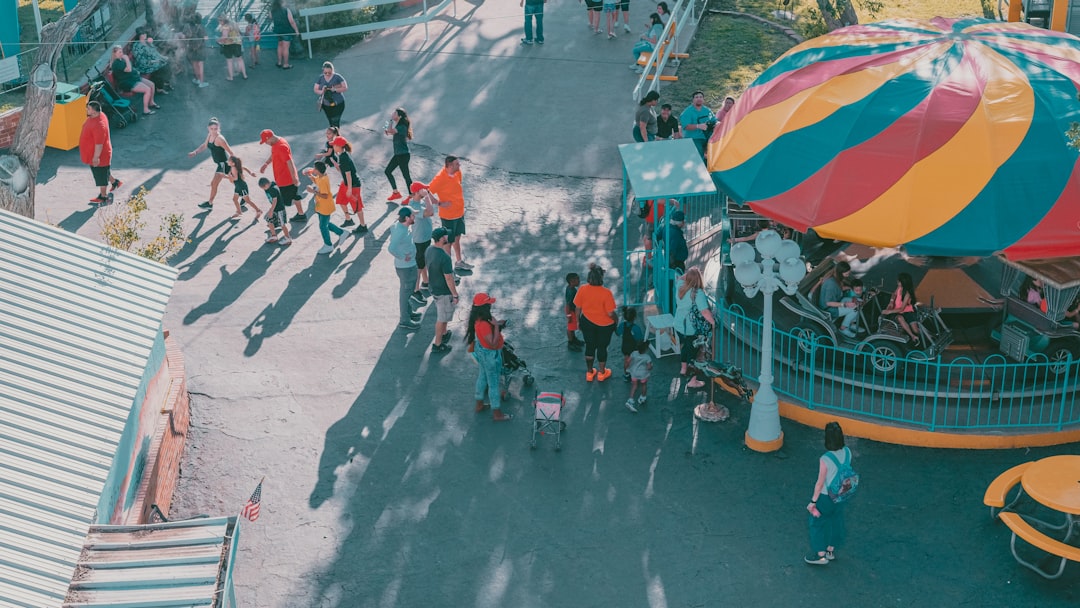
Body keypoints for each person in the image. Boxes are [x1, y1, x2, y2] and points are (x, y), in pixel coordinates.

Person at [805, 421, 851, 565]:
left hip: (826, 498)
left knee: (816, 523)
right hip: (841, 495)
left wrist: (812, 502)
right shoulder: (848, 452)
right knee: (835, 521)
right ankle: (830, 551)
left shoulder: (825, 459)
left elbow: (819, 484)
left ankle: (821, 556)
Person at [465, 293, 513, 422]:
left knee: (482, 377)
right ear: (485, 307)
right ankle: (497, 413)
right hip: (490, 355)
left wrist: (497, 323)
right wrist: (497, 326)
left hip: (482, 352)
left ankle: (479, 404)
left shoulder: (479, 318)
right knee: (493, 384)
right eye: (489, 303)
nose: (491, 305)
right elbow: (492, 342)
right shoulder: (484, 324)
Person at [574, 264, 618, 382]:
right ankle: (602, 373)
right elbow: (610, 314)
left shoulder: (582, 289)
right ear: (601, 278)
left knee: (590, 346)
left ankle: (589, 372)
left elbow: (577, 308)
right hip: (605, 326)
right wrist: (616, 319)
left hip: (587, 323)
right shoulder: (606, 293)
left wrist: (578, 321)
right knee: (602, 348)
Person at [429, 155, 473, 272]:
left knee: (457, 239)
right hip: (448, 216)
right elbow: (427, 192)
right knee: (447, 243)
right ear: (449, 166)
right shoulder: (440, 178)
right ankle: (448, 270)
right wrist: (439, 203)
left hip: (459, 213)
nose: (459, 166)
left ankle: (459, 262)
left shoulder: (458, 173)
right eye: (457, 164)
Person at [673, 267, 715, 388]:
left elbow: (681, 277)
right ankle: (692, 380)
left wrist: (690, 273)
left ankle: (683, 368)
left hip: (679, 324)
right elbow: (704, 312)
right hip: (690, 328)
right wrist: (713, 322)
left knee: (685, 347)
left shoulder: (680, 285)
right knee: (693, 353)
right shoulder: (698, 293)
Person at [79, 101, 121, 205]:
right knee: (104, 171)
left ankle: (103, 196)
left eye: (88, 109)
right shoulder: (100, 115)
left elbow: (99, 145)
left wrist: (96, 157)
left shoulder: (99, 125)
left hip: (100, 156)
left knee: (101, 176)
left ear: (94, 111)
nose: (87, 110)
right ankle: (115, 182)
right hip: (98, 155)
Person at [189, 117, 235, 211]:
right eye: (211, 129)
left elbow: (231, 153)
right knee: (233, 181)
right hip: (220, 164)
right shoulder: (210, 135)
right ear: (208, 128)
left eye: (215, 129)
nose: (213, 131)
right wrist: (195, 152)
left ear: (219, 128)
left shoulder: (220, 139)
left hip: (223, 164)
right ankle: (244, 193)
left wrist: (233, 166)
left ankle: (210, 203)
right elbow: (205, 145)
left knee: (214, 183)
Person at [426, 227, 459, 354]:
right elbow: (449, 278)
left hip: (433, 288)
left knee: (444, 314)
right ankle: (437, 344)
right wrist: (455, 294)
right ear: (441, 239)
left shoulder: (429, 250)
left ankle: (444, 333)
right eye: (446, 235)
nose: (447, 237)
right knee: (441, 317)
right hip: (443, 292)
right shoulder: (444, 257)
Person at [259, 129, 304, 222]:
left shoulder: (281, 146)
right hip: (282, 178)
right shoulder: (276, 143)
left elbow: (289, 162)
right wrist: (266, 163)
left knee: (279, 200)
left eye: (266, 141)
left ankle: (277, 220)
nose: (266, 143)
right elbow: (273, 154)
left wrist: (294, 178)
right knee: (294, 196)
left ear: (269, 138)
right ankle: (301, 214)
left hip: (286, 180)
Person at [304, 161, 348, 254]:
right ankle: (342, 232)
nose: (313, 169)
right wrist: (311, 176)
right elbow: (317, 181)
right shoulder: (321, 176)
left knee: (323, 226)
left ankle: (328, 245)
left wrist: (313, 191)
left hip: (325, 207)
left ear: (318, 170)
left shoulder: (323, 180)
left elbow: (325, 195)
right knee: (325, 223)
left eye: (314, 168)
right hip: (321, 206)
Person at [390, 207, 422, 330]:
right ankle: (404, 319)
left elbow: (392, 227)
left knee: (407, 291)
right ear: (407, 218)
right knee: (405, 292)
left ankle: (408, 313)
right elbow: (391, 248)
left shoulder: (399, 225)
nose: (414, 218)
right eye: (413, 216)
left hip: (407, 266)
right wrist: (403, 256)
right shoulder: (401, 231)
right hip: (405, 268)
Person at [110, 45, 159, 116]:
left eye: (122, 52)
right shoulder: (116, 63)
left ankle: (151, 102)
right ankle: (146, 110)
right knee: (147, 89)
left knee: (151, 84)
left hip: (133, 78)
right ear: (115, 53)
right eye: (120, 52)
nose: (122, 54)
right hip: (127, 82)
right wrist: (127, 59)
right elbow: (128, 69)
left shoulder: (120, 60)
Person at [331, 136, 366, 233]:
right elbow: (343, 171)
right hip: (346, 183)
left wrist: (349, 189)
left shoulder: (344, 157)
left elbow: (348, 174)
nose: (333, 146)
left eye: (334, 145)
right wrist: (336, 165)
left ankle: (363, 226)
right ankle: (348, 219)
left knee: (357, 206)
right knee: (341, 200)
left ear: (339, 146)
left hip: (353, 185)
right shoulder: (343, 154)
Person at [408, 182, 436, 304]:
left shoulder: (421, 202)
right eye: (422, 189)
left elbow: (435, 204)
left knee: (423, 261)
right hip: (419, 240)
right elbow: (430, 212)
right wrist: (427, 197)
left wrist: (427, 195)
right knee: (419, 266)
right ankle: (415, 291)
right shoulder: (414, 206)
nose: (425, 190)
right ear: (417, 192)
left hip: (425, 238)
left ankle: (426, 282)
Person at [818, 261, 858, 336]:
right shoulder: (831, 284)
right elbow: (828, 303)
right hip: (829, 308)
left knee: (859, 302)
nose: (848, 275)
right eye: (846, 274)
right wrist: (845, 304)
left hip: (837, 301)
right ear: (841, 273)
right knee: (855, 308)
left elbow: (839, 288)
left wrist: (850, 288)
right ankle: (843, 328)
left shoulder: (837, 277)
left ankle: (851, 323)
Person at [881, 272, 922, 345]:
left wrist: (889, 311)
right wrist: (891, 302)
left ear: (903, 283)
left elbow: (902, 309)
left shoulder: (907, 293)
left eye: (899, 281)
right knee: (900, 318)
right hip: (897, 313)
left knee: (916, 330)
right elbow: (894, 294)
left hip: (907, 312)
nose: (897, 282)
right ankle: (912, 336)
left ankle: (925, 336)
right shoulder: (899, 287)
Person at [383, 108, 413, 201]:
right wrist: (388, 131)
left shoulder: (402, 126)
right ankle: (396, 193)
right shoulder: (399, 126)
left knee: (406, 176)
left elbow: (391, 130)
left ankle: (411, 196)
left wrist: (390, 121)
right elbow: (391, 131)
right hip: (398, 154)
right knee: (388, 171)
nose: (392, 114)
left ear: (399, 116)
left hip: (403, 155)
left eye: (394, 113)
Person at [131, 28, 173, 92]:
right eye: (142, 34)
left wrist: (162, 57)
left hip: (155, 60)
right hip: (145, 65)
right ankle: (159, 88)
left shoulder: (147, 42)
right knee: (162, 67)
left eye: (145, 33)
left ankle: (165, 81)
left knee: (168, 63)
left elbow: (155, 52)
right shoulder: (137, 46)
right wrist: (156, 61)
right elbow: (142, 61)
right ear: (139, 35)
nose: (144, 35)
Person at [680, 91, 715, 159]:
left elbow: (714, 120)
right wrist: (698, 126)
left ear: (703, 99)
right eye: (696, 97)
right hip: (693, 139)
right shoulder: (687, 112)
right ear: (693, 100)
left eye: (701, 97)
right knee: (697, 157)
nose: (699, 99)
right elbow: (686, 126)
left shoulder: (707, 110)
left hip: (707, 137)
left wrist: (717, 124)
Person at [258, 178, 292, 245]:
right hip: (275, 208)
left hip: (279, 209)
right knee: (269, 219)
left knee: (282, 224)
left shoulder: (273, 189)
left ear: (267, 184)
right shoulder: (270, 185)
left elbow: (274, 200)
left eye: (264, 187)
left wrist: (271, 210)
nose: (264, 189)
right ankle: (274, 236)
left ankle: (288, 238)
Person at [314, 62, 347, 127]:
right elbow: (315, 89)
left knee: (335, 122)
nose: (327, 74)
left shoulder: (337, 77)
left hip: (338, 103)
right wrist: (322, 91)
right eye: (325, 73)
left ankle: (337, 135)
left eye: (329, 72)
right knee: (331, 122)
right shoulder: (320, 78)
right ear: (323, 71)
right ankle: (334, 135)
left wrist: (335, 89)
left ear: (332, 70)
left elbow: (345, 87)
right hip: (326, 105)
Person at [616, 306, 645, 381]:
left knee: (626, 360)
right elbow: (640, 339)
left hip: (625, 347)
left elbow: (618, 333)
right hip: (634, 348)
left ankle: (627, 374)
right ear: (634, 317)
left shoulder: (622, 325)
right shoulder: (636, 328)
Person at [270, 0, 300, 69]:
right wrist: (296, 30)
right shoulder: (286, 10)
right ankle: (286, 64)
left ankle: (279, 62)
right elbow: (292, 22)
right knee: (285, 48)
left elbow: (271, 18)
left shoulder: (272, 11)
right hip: (286, 31)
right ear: (281, 2)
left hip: (278, 31)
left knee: (279, 46)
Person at [183, 13, 210, 88]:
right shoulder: (201, 27)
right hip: (200, 48)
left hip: (191, 48)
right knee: (200, 65)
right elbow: (206, 38)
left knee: (194, 64)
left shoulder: (187, 26)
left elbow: (185, 37)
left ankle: (197, 79)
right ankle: (201, 82)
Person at [217, 15, 247, 80]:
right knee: (240, 59)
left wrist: (218, 40)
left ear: (222, 21)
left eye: (219, 21)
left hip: (228, 45)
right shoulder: (234, 24)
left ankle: (231, 77)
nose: (218, 22)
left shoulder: (225, 27)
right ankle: (244, 75)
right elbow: (239, 33)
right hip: (237, 43)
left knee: (229, 61)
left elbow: (225, 36)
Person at [626, 341, 652, 413]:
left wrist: (627, 368)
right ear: (646, 349)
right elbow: (649, 367)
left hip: (634, 372)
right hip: (643, 374)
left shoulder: (634, 353)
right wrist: (651, 367)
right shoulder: (647, 357)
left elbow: (628, 361)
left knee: (634, 386)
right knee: (644, 385)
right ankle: (642, 397)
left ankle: (630, 400)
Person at [565, 272, 584, 351]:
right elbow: (568, 304)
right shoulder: (571, 291)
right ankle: (570, 343)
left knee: (573, 327)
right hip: (571, 311)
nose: (579, 280)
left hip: (572, 310)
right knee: (570, 328)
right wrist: (569, 315)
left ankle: (574, 339)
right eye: (577, 279)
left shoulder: (571, 288)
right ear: (572, 281)